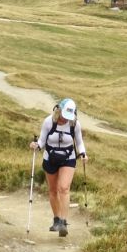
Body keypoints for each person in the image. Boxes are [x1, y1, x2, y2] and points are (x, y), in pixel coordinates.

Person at [30, 98, 88, 237]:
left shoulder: (75, 123)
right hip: (50, 158)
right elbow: (42, 141)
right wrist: (36, 145)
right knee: (53, 190)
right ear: (59, 110)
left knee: (63, 188)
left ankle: (63, 222)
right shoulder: (49, 121)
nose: (65, 119)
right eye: (63, 115)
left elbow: (79, 143)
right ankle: (56, 219)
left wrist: (83, 154)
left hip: (68, 158)